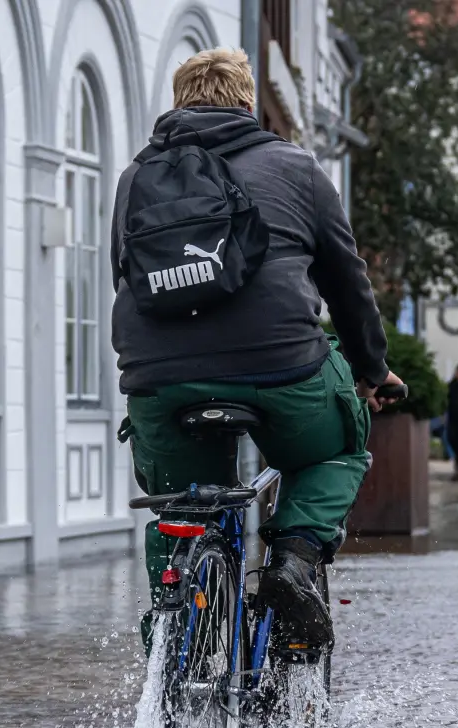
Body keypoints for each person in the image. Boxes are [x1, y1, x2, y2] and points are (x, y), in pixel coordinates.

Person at [110, 48, 404, 649]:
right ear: (249, 104)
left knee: (183, 506)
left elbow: (123, 274)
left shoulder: (136, 176)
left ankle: (173, 619)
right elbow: (347, 283)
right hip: (283, 367)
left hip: (161, 379)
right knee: (337, 448)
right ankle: (294, 558)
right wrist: (371, 372)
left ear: (178, 103)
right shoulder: (296, 167)